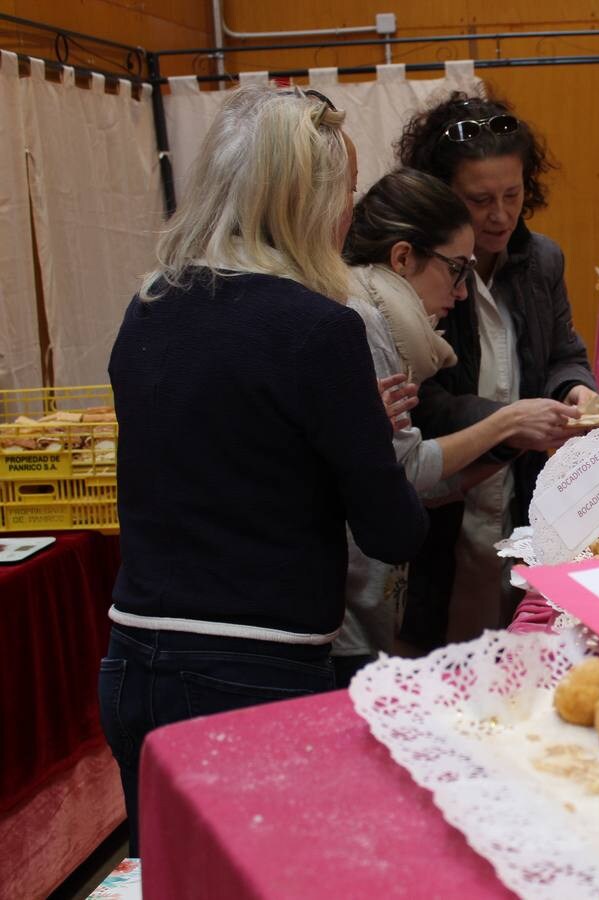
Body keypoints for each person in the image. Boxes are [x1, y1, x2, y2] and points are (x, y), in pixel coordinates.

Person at [99, 85, 429, 852]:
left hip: (131, 658)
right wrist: (362, 443)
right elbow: (391, 530)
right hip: (252, 670)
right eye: (344, 193)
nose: (349, 215)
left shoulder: (147, 306)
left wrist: (334, 432)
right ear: (307, 202)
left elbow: (217, 454)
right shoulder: (318, 329)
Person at [333, 168, 579, 681]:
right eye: (456, 269)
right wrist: (508, 418)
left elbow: (414, 483)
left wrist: (512, 440)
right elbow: (410, 471)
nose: (463, 293)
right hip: (346, 601)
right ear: (403, 257)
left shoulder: (378, 319)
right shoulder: (363, 320)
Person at [395, 92, 599, 647]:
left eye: (513, 195)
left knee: (521, 635)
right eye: (479, 199)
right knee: (439, 637)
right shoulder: (416, 268)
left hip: (519, 485)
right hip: (449, 481)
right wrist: (510, 423)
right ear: (441, 195)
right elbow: (423, 399)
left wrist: (575, 390)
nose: (500, 214)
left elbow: (562, 353)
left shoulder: (541, 259)